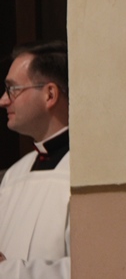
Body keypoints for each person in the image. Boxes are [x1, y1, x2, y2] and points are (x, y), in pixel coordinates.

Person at [0, 41, 70, 278]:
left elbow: (92, 264)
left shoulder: (83, 173)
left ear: (50, 94)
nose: (3, 100)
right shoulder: (13, 175)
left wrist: (12, 271)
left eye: (13, 89)